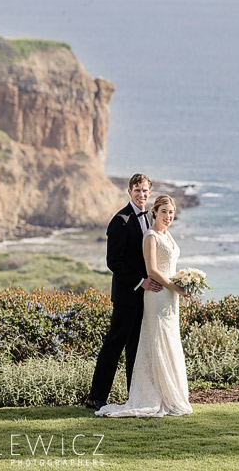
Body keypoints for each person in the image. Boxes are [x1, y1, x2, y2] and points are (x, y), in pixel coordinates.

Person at [96, 194, 193, 417]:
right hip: (157, 293)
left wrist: (185, 280)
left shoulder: (166, 235)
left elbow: (167, 264)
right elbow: (151, 270)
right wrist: (174, 287)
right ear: (155, 212)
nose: (168, 216)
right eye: (164, 212)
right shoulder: (148, 234)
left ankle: (169, 393)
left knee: (167, 341)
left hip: (169, 295)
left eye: (171, 213)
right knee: (154, 341)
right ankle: (149, 395)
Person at [85, 173, 163, 411]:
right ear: (129, 192)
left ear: (150, 193)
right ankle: (95, 397)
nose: (141, 195)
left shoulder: (149, 220)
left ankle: (134, 395)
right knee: (114, 345)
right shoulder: (120, 220)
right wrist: (141, 281)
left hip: (145, 297)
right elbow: (113, 261)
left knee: (136, 348)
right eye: (137, 190)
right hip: (127, 296)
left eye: (145, 191)